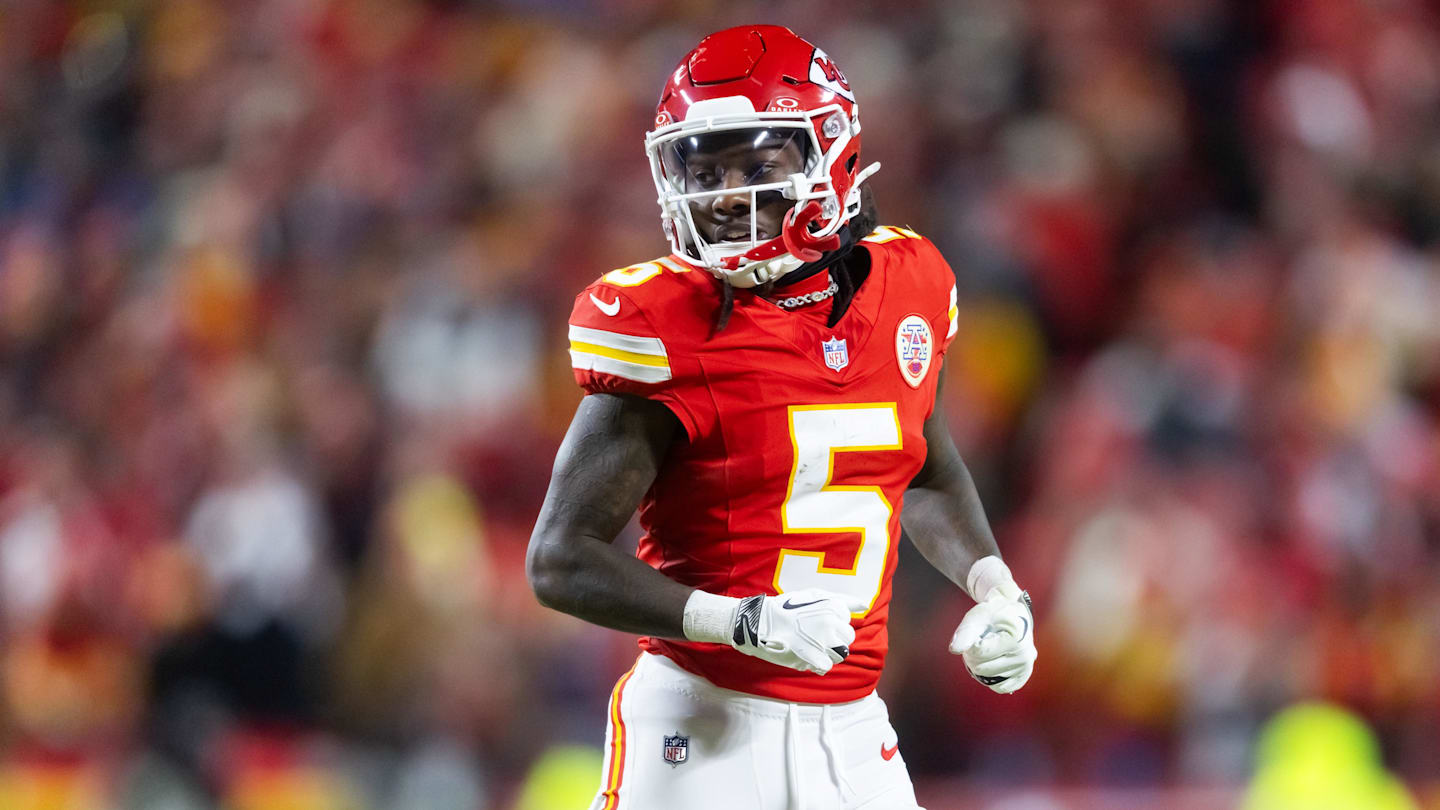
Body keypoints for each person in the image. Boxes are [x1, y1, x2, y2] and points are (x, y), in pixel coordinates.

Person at [527, 24, 1036, 810]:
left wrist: (997, 589)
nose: (727, 194)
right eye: (706, 170)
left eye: (757, 165)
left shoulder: (910, 285)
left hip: (855, 732)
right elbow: (560, 558)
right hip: (701, 728)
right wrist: (738, 621)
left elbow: (923, 468)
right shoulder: (664, 323)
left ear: (831, 156)